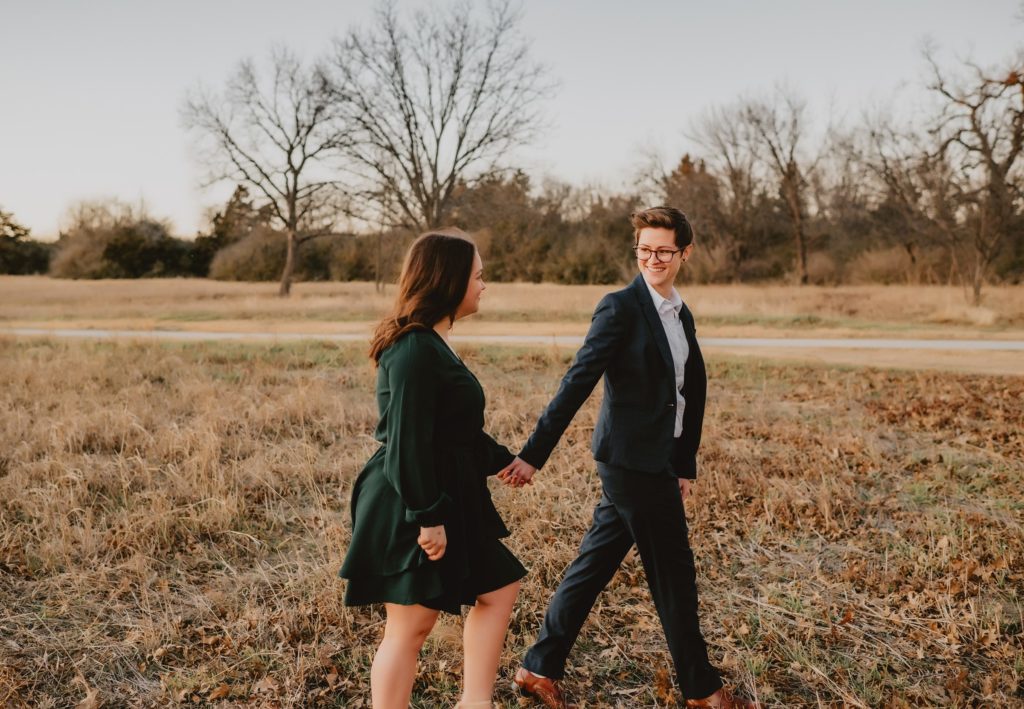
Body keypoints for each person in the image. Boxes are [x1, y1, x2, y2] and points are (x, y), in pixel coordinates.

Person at [498, 207, 758, 709]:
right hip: (630, 464)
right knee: (674, 575)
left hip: (656, 462)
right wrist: (534, 454)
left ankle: (537, 667)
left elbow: (688, 392)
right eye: (643, 249)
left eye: (663, 250)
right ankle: (704, 693)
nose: (652, 259)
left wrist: (683, 463)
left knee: (594, 564)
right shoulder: (619, 307)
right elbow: (577, 381)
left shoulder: (679, 313)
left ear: (685, 252)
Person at [340, 230, 525, 709]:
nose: (484, 285)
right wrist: (428, 516)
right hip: (410, 500)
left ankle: (475, 703)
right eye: (478, 276)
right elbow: (406, 444)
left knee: (500, 585)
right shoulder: (414, 349)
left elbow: (453, 431)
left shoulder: (435, 344)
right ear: (449, 280)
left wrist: (505, 461)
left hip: (449, 492)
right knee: (410, 627)